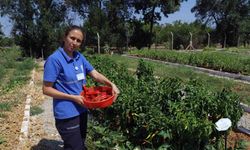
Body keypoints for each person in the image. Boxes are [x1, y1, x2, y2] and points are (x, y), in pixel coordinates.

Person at [42, 25, 120, 150]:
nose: (74, 43)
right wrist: (73, 98)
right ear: (64, 37)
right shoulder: (55, 60)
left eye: (78, 41)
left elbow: (95, 74)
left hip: (82, 109)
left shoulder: (79, 57)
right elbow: (46, 89)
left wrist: (111, 84)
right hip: (66, 114)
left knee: (78, 143)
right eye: (72, 38)